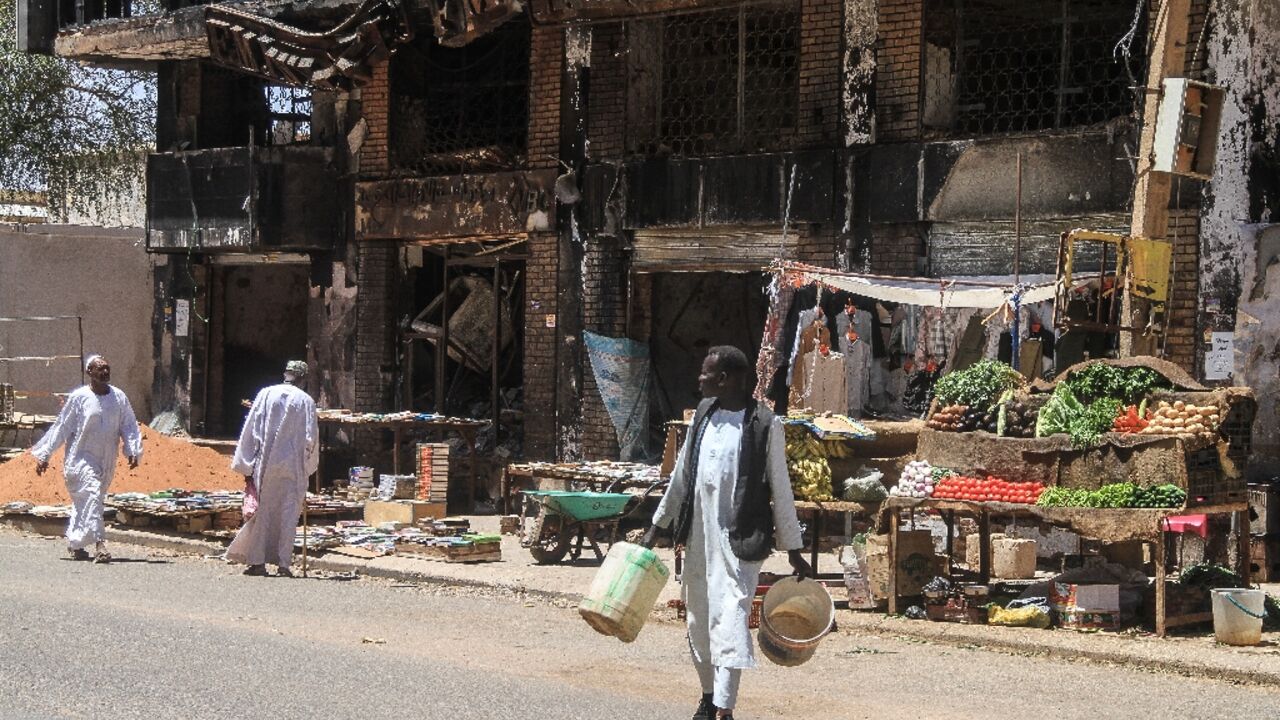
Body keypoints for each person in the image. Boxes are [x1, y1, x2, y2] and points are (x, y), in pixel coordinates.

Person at [642, 346, 813, 720]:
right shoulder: (703, 416)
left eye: (706, 373)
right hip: (700, 539)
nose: (699, 379)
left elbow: (781, 488)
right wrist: (657, 526)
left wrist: (793, 548)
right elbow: (681, 478)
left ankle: (724, 707)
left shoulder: (765, 425)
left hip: (740, 542)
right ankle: (707, 695)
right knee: (699, 619)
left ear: (726, 379)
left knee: (732, 617)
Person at [31, 355, 143, 563]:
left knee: (89, 501)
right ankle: (101, 545)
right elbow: (62, 427)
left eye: (107, 368)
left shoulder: (119, 397)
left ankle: (76, 543)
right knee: (91, 495)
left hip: (107, 459)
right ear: (89, 372)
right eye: (100, 368)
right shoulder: (79, 397)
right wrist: (45, 454)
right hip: (80, 458)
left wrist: (133, 449)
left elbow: (128, 424)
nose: (105, 372)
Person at [226, 360, 319, 577]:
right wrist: (309, 466)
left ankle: (257, 561)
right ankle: (284, 564)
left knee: (263, 512)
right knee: (289, 513)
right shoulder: (306, 401)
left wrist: (246, 464)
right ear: (304, 379)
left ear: (286, 374)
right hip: (293, 466)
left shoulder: (266, 394)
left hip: (266, 464)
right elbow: (311, 438)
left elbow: (251, 429)